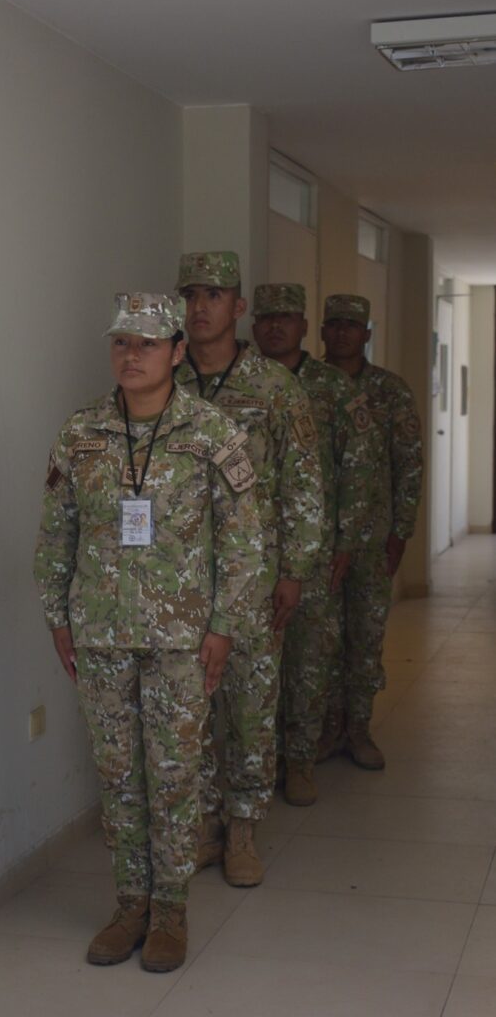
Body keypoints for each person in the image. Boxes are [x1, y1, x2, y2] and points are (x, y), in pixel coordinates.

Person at [34, 292, 264, 971]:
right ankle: (129, 903)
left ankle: (170, 912)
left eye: (147, 343)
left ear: (177, 352)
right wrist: (58, 615)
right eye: (121, 342)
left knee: (172, 778)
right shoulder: (82, 433)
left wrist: (223, 626)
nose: (131, 355)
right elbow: (57, 532)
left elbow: (243, 541)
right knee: (118, 777)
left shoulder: (212, 433)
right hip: (101, 635)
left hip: (182, 641)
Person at [174, 253, 323, 885]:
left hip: (253, 577)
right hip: (180, 580)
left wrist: (295, 569)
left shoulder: (274, 387)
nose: (200, 307)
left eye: (214, 295)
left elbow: (303, 482)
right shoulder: (166, 380)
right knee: (190, 704)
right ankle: (206, 825)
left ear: (238, 308)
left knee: (250, 706)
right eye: (191, 295)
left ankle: (242, 830)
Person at [252, 283, 372, 804]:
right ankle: (261, 762)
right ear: (252, 324)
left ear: (305, 326)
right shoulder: (238, 381)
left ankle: (300, 759)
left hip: (314, 548)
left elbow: (358, 468)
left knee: (307, 660)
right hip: (250, 551)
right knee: (255, 665)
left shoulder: (333, 388)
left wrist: (346, 539)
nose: (275, 325)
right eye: (267, 317)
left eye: (286, 317)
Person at [319, 294, 423, 769]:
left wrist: (401, 532)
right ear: (322, 331)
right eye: (334, 324)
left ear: (365, 334)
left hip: (372, 538)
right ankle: (325, 729)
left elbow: (409, 464)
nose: (342, 332)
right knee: (321, 640)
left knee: (365, 635)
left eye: (351, 325)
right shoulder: (305, 385)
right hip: (318, 538)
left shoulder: (390, 391)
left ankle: (358, 729)